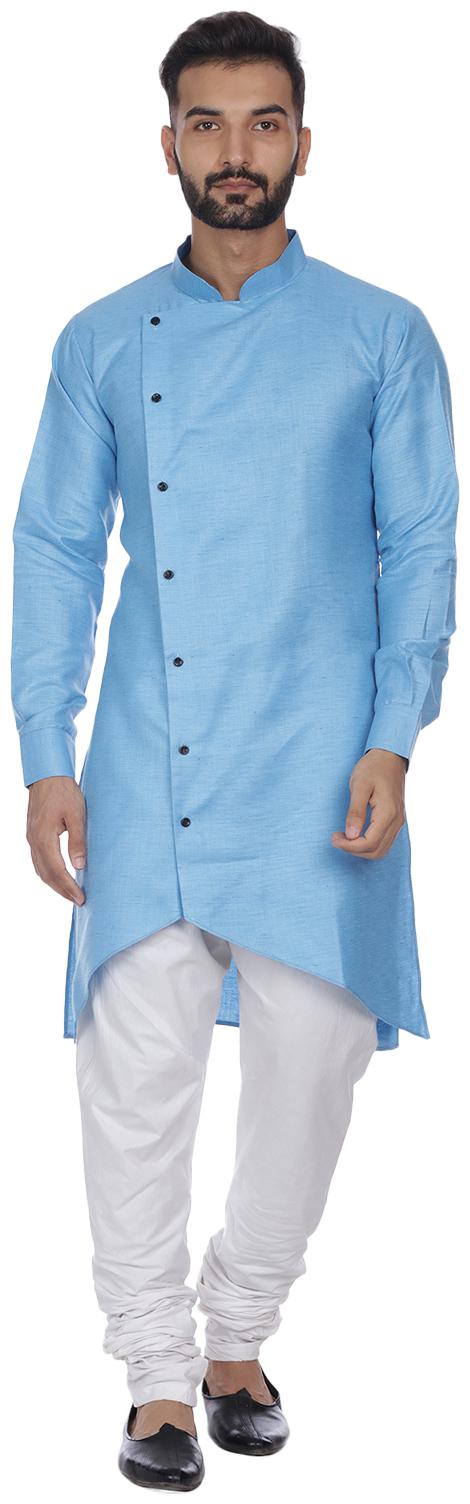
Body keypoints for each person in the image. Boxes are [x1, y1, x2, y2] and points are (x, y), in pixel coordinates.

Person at [10, 10, 459, 1492]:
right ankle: (156, 1370)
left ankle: (239, 1328)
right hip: (148, 751)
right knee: (133, 1070)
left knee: (316, 1062)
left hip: (323, 755)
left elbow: (421, 546)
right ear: (168, 146)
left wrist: (394, 734)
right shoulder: (99, 338)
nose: (235, 151)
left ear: (303, 143)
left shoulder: (383, 334)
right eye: (205, 123)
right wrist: (47, 750)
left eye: (263, 122)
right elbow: (57, 549)